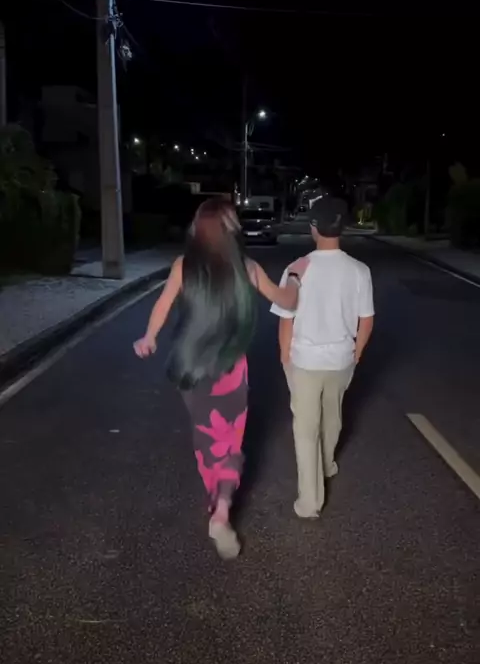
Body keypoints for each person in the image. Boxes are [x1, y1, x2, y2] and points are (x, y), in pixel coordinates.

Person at [134, 199, 306, 559]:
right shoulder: (248, 268)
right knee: (230, 443)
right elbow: (288, 302)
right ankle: (222, 508)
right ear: (231, 230)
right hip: (230, 370)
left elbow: (162, 305)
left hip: (192, 370)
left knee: (206, 439)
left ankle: (215, 495)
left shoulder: (183, 266)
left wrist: (149, 337)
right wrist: (294, 276)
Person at [270, 197, 374, 519]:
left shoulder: (297, 269)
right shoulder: (359, 271)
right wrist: (356, 353)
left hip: (304, 361)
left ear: (313, 227)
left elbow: (286, 318)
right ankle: (327, 463)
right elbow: (366, 319)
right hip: (341, 360)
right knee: (333, 416)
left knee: (305, 429)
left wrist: (285, 357)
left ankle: (310, 502)